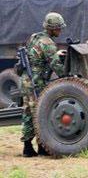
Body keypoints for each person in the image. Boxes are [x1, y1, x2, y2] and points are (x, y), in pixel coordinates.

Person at [20, 12, 66, 157]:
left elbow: (36, 55)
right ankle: (40, 147)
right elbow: (55, 65)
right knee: (40, 114)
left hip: (26, 79)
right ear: (51, 28)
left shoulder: (35, 37)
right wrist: (67, 76)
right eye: (58, 28)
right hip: (36, 82)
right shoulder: (48, 43)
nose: (60, 30)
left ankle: (28, 147)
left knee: (28, 112)